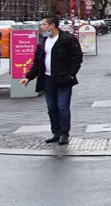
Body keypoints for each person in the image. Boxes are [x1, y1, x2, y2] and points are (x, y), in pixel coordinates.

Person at [20, 15, 83, 145]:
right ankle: (56, 133)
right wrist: (28, 77)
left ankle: (64, 134)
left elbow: (77, 58)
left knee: (62, 107)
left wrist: (70, 75)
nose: (41, 27)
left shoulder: (67, 39)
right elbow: (37, 62)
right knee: (52, 107)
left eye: (43, 24)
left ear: (52, 25)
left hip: (63, 79)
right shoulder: (44, 41)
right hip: (48, 79)